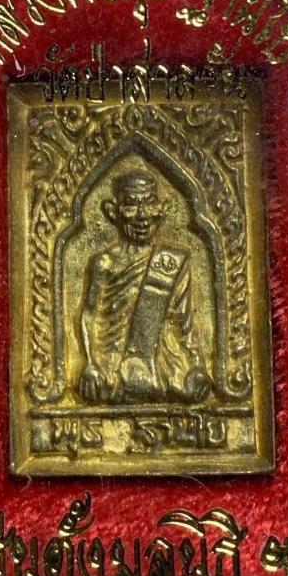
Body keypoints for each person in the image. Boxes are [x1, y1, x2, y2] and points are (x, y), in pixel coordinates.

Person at [78, 169, 211, 404]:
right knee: (97, 390)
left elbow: (184, 322)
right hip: (112, 365)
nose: (142, 216)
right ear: (113, 212)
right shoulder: (104, 262)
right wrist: (90, 363)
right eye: (131, 205)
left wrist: (197, 366)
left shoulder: (172, 261)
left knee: (191, 389)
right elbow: (89, 314)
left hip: (162, 368)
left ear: (161, 208)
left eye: (149, 204)